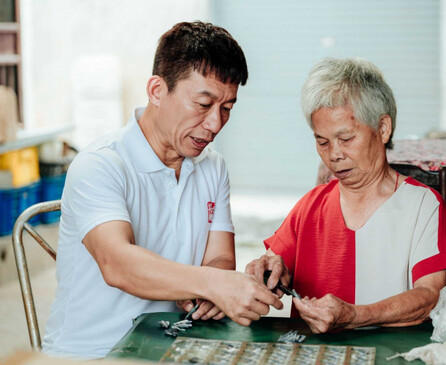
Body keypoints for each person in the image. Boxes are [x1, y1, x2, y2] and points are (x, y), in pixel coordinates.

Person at [43, 21, 282, 359]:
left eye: (227, 108)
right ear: (157, 90)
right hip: (93, 352)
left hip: (175, 343)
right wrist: (211, 284)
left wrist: (207, 290)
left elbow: (219, 257)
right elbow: (117, 263)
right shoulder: (101, 164)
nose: (215, 124)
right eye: (203, 104)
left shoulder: (212, 167)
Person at [246, 57, 446, 334]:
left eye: (346, 139)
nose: (334, 154)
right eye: (322, 142)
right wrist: (267, 271)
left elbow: (429, 297)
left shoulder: (422, 204)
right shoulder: (311, 205)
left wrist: (355, 315)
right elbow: (276, 266)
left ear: (383, 128)